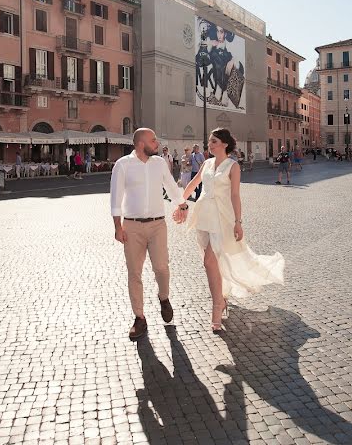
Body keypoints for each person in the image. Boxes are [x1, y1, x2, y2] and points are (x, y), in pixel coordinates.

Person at [179, 127, 284, 332]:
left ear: (225, 144)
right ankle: (222, 297)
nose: (210, 144)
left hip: (223, 217)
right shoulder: (207, 163)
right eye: (209, 141)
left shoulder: (233, 166)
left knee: (210, 260)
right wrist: (179, 202)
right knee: (209, 263)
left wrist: (238, 221)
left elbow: (235, 195)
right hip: (203, 215)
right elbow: (193, 184)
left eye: (214, 141)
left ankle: (217, 306)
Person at [110, 128, 188, 341]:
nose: (156, 143)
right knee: (134, 272)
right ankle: (139, 318)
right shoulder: (123, 165)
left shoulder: (160, 163)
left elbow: (171, 187)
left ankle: (164, 298)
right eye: (153, 140)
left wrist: (182, 205)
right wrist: (118, 226)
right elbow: (115, 197)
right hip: (132, 226)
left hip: (157, 225)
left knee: (162, 267)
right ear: (140, 143)